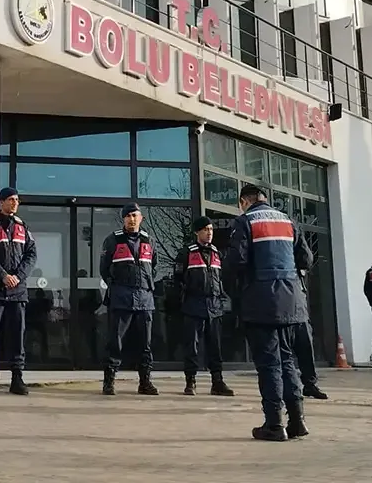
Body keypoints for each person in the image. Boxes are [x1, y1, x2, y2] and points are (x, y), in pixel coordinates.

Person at [225, 184, 312, 442]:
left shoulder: (244, 222)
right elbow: (306, 259)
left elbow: (236, 262)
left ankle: (274, 424)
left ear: (244, 201)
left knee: (268, 364)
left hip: (261, 301)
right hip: (291, 301)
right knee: (287, 361)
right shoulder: (288, 221)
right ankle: (297, 420)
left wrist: (236, 292)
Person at [0, 187, 38, 396]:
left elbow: (31, 255)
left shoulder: (22, 226)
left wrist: (18, 276)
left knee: (17, 336)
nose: (15, 203)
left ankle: (17, 378)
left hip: (18, 292)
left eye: (17, 200)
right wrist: (3, 275)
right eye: (11, 199)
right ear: (1, 202)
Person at [100, 203, 159, 396]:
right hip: (121, 299)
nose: (132, 219)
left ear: (141, 218)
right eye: (128, 216)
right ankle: (109, 382)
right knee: (115, 342)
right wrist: (116, 287)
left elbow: (154, 267)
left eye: (135, 215)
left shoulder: (149, 240)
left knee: (145, 344)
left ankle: (145, 382)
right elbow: (104, 269)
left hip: (145, 299)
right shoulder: (112, 240)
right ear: (123, 219)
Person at [173, 216, 233, 397]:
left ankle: (217, 382)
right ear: (197, 232)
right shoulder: (186, 253)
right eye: (206, 229)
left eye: (211, 229)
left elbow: (224, 279)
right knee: (192, 346)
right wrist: (183, 298)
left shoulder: (217, 253)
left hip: (214, 306)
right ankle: (190, 381)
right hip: (194, 305)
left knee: (215, 346)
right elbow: (177, 280)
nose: (209, 233)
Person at [294, 275, 329, 400]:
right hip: (281, 313)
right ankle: (289, 390)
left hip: (299, 312)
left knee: (306, 349)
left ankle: (309, 384)